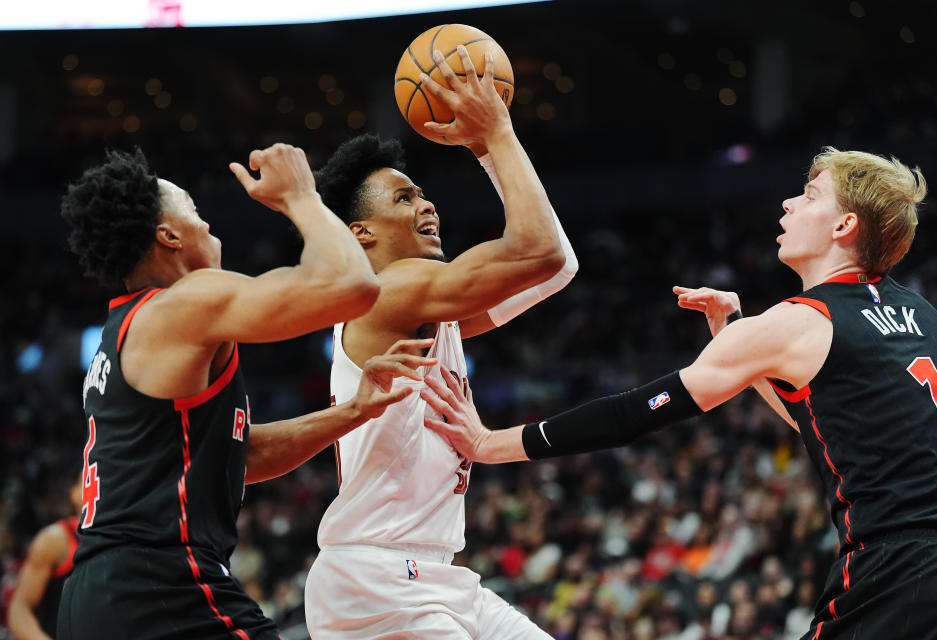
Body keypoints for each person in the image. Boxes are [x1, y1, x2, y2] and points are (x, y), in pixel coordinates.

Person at [422, 148, 937, 640]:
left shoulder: (799, 322)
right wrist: (733, 334)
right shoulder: (922, 315)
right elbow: (827, 422)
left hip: (899, 571)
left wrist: (489, 443)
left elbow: (637, 413)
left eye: (811, 195)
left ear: (845, 225)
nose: (789, 203)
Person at [57, 143, 437, 639]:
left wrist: (354, 411)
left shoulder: (126, 328)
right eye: (194, 211)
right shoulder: (183, 302)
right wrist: (302, 197)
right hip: (158, 585)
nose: (208, 224)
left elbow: (240, 456)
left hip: (97, 597)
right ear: (168, 235)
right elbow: (354, 286)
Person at [302, 46, 577, 639]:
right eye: (403, 198)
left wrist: (483, 145)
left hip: (433, 574)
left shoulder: (432, 308)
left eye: (422, 192)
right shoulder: (391, 291)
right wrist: (494, 133)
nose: (426, 203)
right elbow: (541, 252)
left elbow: (557, 268)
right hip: (375, 580)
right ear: (362, 233)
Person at [8, 474, 82, 640]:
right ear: (74, 493)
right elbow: (19, 608)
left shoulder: (126, 538)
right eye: (88, 480)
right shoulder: (56, 539)